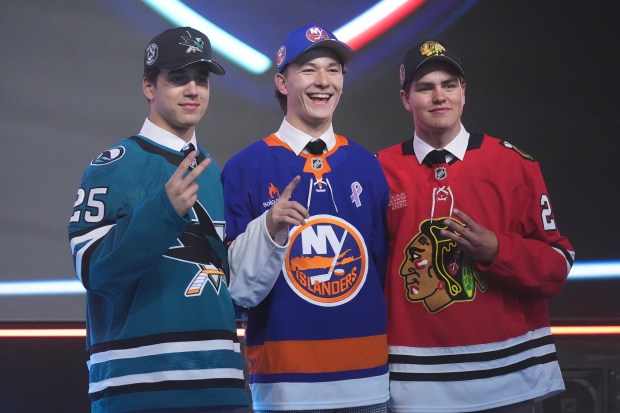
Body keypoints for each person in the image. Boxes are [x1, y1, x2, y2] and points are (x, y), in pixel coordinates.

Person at [376, 40, 576, 412]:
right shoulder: (378, 170)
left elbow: (557, 266)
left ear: (463, 92)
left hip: (507, 379)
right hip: (414, 381)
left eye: (449, 84)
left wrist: (498, 250)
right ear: (406, 99)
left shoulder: (514, 165)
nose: (439, 96)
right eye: (425, 87)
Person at [67, 26, 249, 413]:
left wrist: (269, 234)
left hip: (221, 386)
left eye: (201, 80)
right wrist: (162, 211)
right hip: (140, 388)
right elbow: (93, 270)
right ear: (149, 87)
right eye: (178, 78)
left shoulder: (211, 172)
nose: (193, 90)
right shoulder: (114, 166)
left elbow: (219, 281)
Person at [222, 24, 390, 412]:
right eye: (309, 69)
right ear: (282, 82)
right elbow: (236, 292)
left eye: (333, 69)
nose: (323, 81)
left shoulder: (369, 166)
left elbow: (379, 272)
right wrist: (268, 228)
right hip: (285, 388)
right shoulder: (245, 168)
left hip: (367, 384)